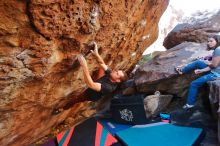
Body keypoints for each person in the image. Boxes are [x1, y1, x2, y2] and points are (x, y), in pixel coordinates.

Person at [53, 42, 128, 114]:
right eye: (117, 71)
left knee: (76, 99)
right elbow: (102, 64)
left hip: (91, 94)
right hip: (99, 82)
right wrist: (96, 54)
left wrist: (84, 65)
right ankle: (93, 78)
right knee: (101, 68)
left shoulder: (108, 88)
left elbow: (90, 84)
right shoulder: (112, 74)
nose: (115, 71)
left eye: (117, 73)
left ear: (117, 80)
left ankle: (62, 109)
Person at [175, 35, 220, 110]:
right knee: (198, 62)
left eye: (211, 41)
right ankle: (182, 70)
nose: (209, 43)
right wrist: (203, 67)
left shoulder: (218, 50)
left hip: (216, 74)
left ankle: (190, 104)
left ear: (217, 41)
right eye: (208, 41)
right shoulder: (217, 49)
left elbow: (214, 65)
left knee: (194, 84)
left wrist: (205, 65)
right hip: (215, 70)